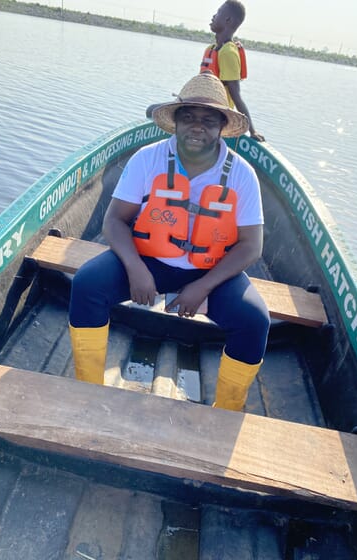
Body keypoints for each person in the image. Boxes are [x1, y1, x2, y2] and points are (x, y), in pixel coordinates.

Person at [69, 72, 270, 412]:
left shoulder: (241, 174)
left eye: (208, 120)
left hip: (211, 270)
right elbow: (115, 221)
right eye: (188, 117)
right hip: (147, 259)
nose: (197, 127)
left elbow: (252, 245)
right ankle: (88, 392)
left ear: (221, 127)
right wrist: (135, 269)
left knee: (255, 320)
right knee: (87, 285)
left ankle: (228, 412)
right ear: (175, 121)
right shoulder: (147, 159)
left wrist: (203, 287)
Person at [201, 0, 265, 142]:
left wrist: (252, 130)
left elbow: (236, 96)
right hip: (201, 107)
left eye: (217, 13)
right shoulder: (211, 49)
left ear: (228, 20)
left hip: (214, 115)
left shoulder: (228, 52)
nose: (213, 16)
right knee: (153, 110)